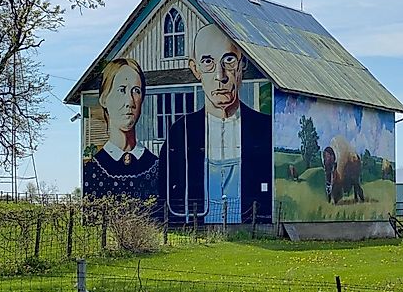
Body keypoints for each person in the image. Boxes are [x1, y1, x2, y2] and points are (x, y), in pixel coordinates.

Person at [158, 24, 272, 224]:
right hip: (194, 231)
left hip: (251, 229)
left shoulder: (265, 130)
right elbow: (166, 185)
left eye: (228, 60)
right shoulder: (181, 132)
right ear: (196, 69)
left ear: (242, 64)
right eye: (208, 62)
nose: (221, 76)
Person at [84, 58, 158, 199]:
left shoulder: (156, 167)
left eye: (136, 91)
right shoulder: (91, 171)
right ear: (104, 99)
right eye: (121, 90)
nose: (129, 101)